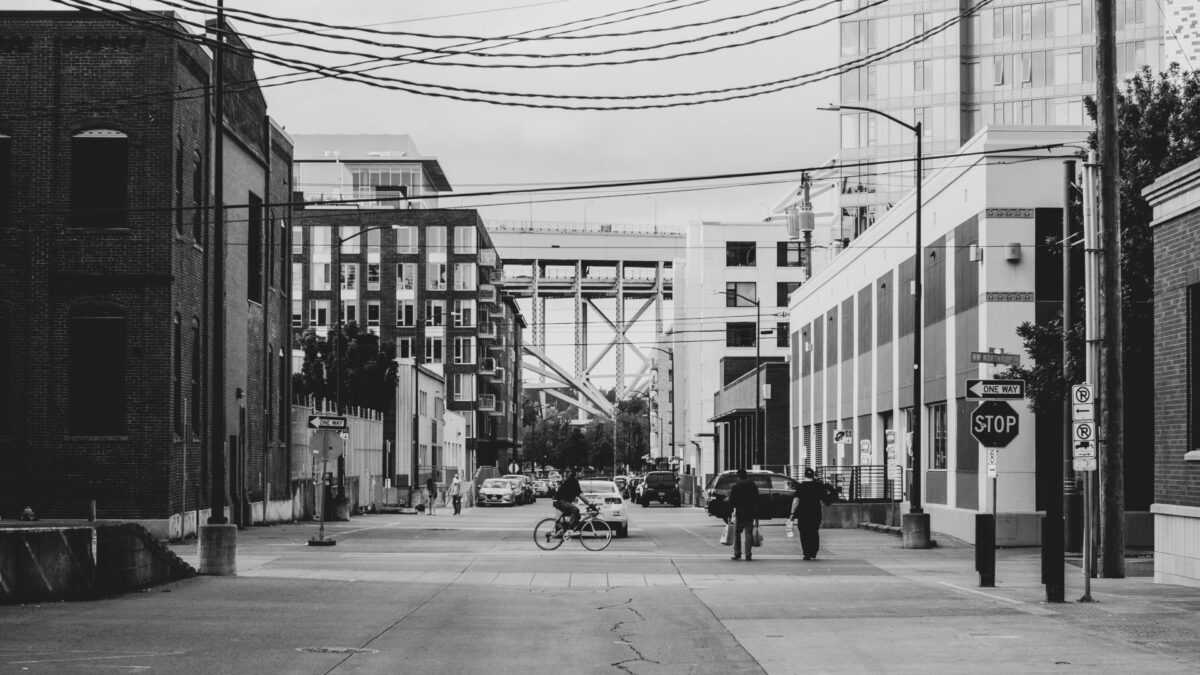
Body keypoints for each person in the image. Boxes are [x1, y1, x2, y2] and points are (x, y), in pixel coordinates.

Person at [791, 467, 835, 560]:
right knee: (814, 532)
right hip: (815, 513)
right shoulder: (818, 486)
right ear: (813, 475)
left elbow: (796, 500)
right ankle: (813, 551)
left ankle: (807, 553)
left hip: (803, 514)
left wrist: (792, 513)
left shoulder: (801, 486)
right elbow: (826, 500)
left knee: (804, 533)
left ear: (804, 475)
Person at [728, 468, 759, 561]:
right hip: (750, 512)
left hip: (740, 512)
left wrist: (730, 511)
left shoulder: (736, 486)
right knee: (748, 533)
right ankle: (748, 554)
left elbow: (732, 501)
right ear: (746, 475)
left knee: (737, 533)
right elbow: (756, 499)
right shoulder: (752, 485)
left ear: (738, 476)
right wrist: (756, 515)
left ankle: (737, 553)